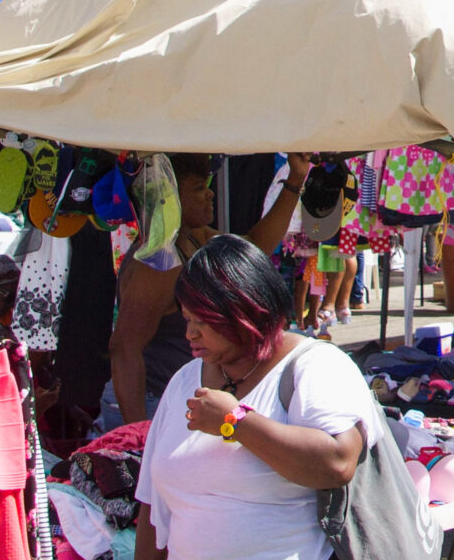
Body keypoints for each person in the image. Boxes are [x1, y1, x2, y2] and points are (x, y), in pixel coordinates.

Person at [125, 235, 381, 560]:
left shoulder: (316, 367)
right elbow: (153, 504)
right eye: (188, 321)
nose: (191, 335)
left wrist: (234, 422)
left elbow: (337, 463)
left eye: (205, 322)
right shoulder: (186, 379)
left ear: (246, 313)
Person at [103, 152, 311, 431]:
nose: (211, 194)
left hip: (178, 397)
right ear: (170, 196)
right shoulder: (158, 264)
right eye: (199, 189)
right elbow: (124, 349)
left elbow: (254, 248)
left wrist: (295, 181)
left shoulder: (193, 237)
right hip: (151, 402)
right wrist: (139, 435)